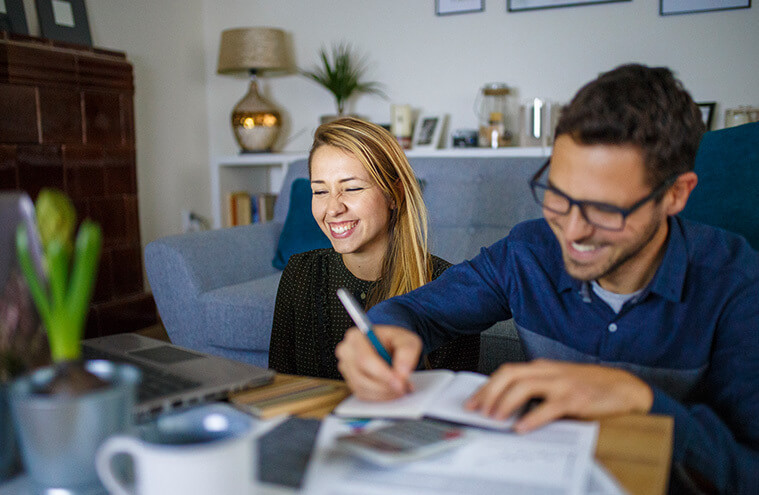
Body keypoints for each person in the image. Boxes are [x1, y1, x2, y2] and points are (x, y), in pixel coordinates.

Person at [335, 65, 759, 493]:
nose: (571, 232)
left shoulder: (737, 285)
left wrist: (642, 400)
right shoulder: (528, 251)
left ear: (675, 194)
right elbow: (416, 311)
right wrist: (388, 331)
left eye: (604, 209)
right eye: (558, 195)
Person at [268, 117, 479, 380]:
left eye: (352, 188)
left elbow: (451, 404)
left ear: (394, 195)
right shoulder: (299, 273)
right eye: (320, 192)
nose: (333, 209)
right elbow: (279, 386)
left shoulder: (447, 288)